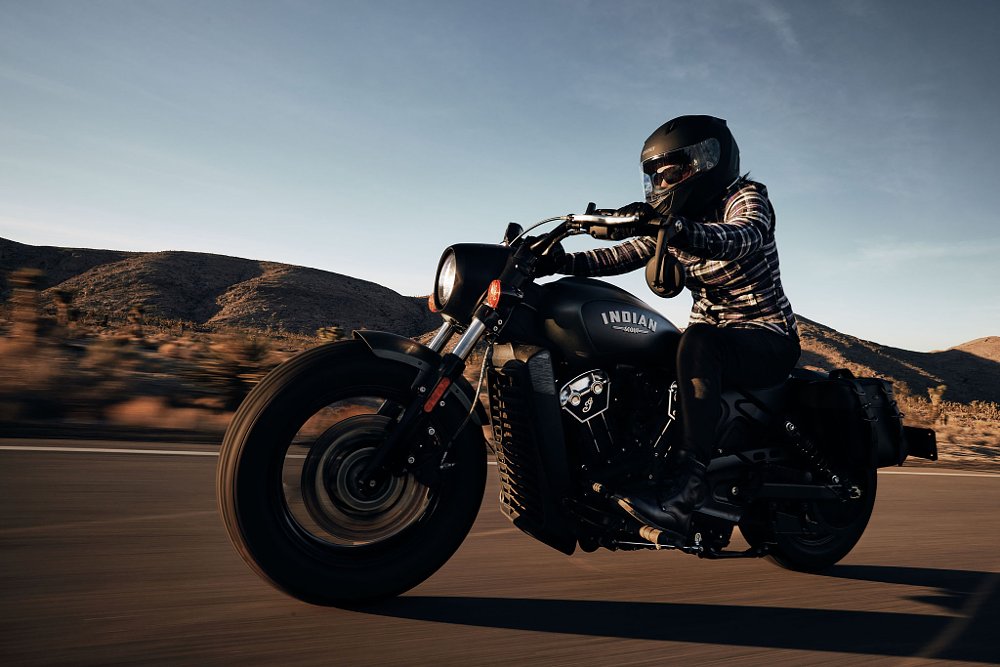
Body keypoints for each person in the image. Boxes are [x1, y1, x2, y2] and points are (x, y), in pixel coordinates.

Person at [541, 115, 800, 540]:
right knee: (648, 352)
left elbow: (742, 236)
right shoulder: (678, 215)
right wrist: (560, 262)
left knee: (697, 341)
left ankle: (685, 492)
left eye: (673, 171)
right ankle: (637, 467)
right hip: (711, 339)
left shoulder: (746, 197)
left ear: (707, 161)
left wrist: (674, 227)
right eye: (657, 175)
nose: (664, 182)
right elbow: (625, 253)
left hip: (765, 336)